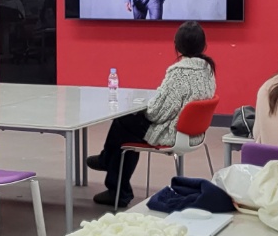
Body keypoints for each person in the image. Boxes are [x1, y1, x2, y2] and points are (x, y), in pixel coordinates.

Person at [85, 21, 217, 208]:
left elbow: (157, 113)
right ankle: (111, 173)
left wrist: (142, 108)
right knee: (126, 128)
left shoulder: (179, 73)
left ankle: (114, 180)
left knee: (123, 121)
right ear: (204, 45)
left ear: (177, 45)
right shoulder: (208, 70)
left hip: (173, 133)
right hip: (194, 133)